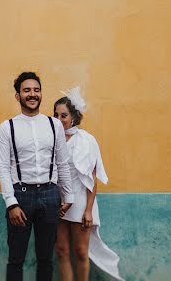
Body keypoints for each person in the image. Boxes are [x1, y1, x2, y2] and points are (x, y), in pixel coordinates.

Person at [0, 71, 75, 281]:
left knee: (46, 259)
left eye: (36, 90)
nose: (32, 94)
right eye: (27, 90)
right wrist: (11, 204)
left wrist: (68, 196)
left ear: (41, 94)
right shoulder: (7, 128)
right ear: (18, 96)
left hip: (50, 196)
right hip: (20, 196)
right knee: (16, 260)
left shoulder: (54, 125)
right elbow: (3, 167)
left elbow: (62, 162)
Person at [53, 88, 124, 281]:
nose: (59, 119)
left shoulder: (87, 141)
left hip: (81, 203)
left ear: (74, 117)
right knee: (61, 250)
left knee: (81, 252)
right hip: (58, 202)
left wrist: (89, 210)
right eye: (56, 115)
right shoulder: (52, 140)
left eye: (64, 115)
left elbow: (92, 178)